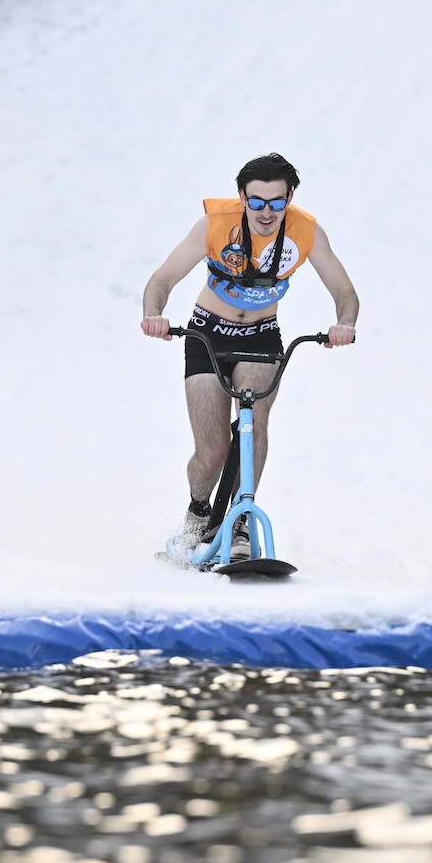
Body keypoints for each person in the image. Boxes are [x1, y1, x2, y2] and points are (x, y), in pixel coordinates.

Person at [140, 154, 358, 559]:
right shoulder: (215, 224)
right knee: (212, 453)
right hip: (207, 333)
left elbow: (344, 291)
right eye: (256, 202)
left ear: (289, 198)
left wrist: (344, 323)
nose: (266, 213)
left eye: (276, 202)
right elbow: (163, 278)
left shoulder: (306, 231)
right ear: (242, 196)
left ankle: (239, 519)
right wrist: (153, 314)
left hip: (260, 336)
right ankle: (199, 511)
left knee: (252, 424)